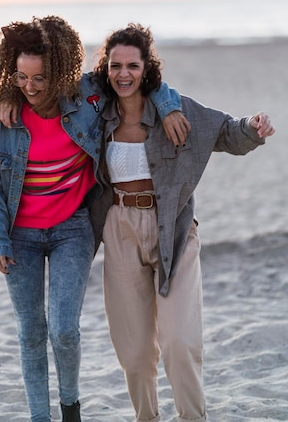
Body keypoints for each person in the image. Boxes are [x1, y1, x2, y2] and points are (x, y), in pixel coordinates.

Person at [0, 15, 189, 422]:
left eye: (39, 79)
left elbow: (140, 81)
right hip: (17, 236)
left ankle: (70, 409)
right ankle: (41, 417)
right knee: (31, 332)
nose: (30, 88)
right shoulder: (2, 120)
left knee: (63, 329)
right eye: (20, 78)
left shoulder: (87, 97)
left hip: (71, 230)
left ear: (59, 72)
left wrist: (167, 107)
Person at [91, 23, 275, 422]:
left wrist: (252, 128)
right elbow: (48, 104)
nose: (124, 74)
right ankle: (148, 418)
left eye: (133, 66)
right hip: (119, 229)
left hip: (172, 227)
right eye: (115, 66)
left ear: (147, 68)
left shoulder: (176, 111)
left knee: (180, 342)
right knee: (134, 350)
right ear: (105, 68)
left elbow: (224, 132)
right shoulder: (96, 115)